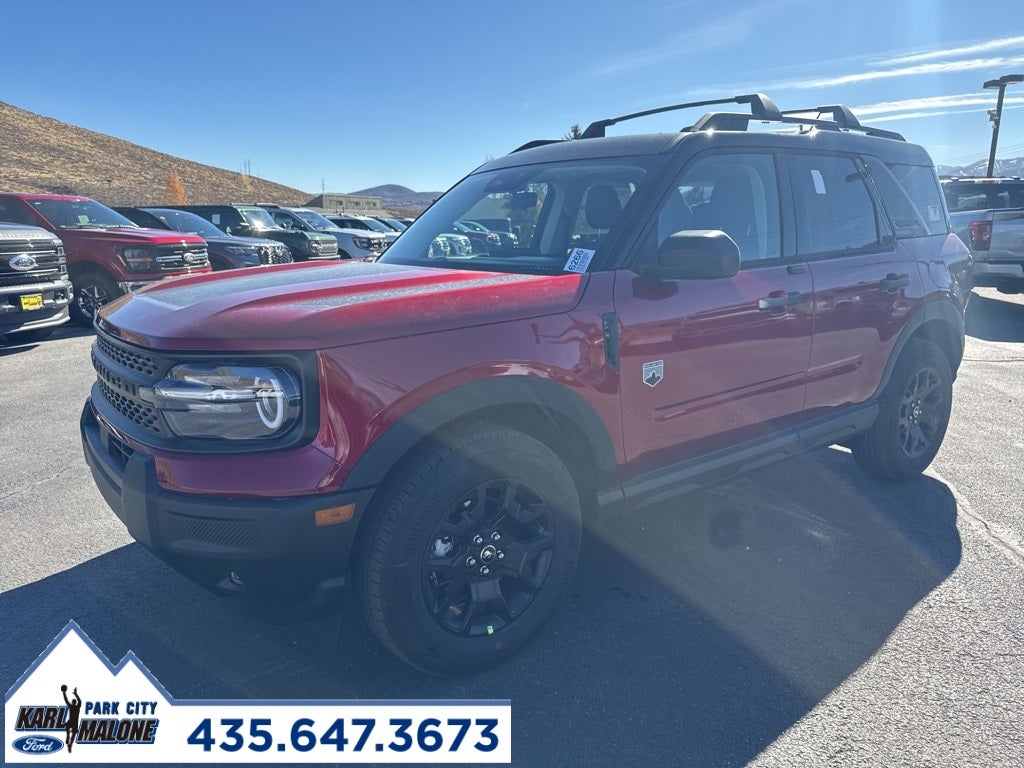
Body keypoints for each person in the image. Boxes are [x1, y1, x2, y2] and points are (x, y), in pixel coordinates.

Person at [61, 684, 81, 754]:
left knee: (69, 729)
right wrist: (75, 694)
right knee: (72, 732)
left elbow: (66, 700)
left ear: (73, 702)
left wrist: (64, 693)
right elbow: (79, 701)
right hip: (73, 722)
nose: (73, 701)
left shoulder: (74, 706)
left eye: (73, 701)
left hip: (73, 721)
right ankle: (69, 739)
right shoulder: (76, 706)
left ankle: (69, 741)